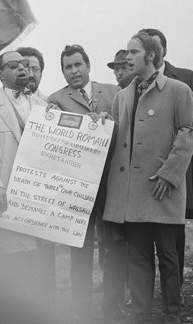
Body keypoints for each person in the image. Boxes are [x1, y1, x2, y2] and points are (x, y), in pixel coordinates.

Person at [103, 32, 193, 324]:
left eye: (133, 52)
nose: (127, 57)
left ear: (152, 55)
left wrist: (168, 176)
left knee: (169, 257)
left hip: (161, 188)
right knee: (139, 258)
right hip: (132, 194)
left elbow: (188, 133)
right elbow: (118, 136)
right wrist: (101, 125)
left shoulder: (180, 90)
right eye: (127, 52)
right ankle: (141, 315)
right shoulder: (122, 95)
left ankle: (172, 313)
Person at [0, 50, 55, 323]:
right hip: (11, 198)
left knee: (45, 266)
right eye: (14, 66)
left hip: (43, 198)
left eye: (24, 64)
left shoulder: (47, 105)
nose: (22, 69)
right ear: (0, 73)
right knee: (18, 264)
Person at [47, 44, 118, 322]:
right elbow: (52, 136)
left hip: (111, 180)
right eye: (68, 67)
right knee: (80, 247)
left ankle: (113, 307)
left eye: (78, 65)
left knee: (113, 245)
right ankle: (82, 310)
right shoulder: (55, 99)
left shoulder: (113, 92)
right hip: (77, 186)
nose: (74, 71)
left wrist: (108, 121)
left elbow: (126, 127)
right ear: (63, 71)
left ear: (88, 65)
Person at [140, 28, 193, 291]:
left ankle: (174, 291)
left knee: (172, 233)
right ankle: (143, 295)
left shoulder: (186, 77)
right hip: (144, 167)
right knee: (143, 235)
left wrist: (172, 129)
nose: (151, 53)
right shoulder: (135, 82)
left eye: (154, 47)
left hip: (177, 163)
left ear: (163, 50)